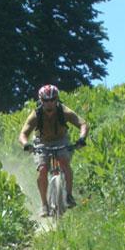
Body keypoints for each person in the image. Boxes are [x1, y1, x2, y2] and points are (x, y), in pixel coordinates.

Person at [18, 84, 88, 217]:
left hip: (61, 140)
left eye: (53, 100)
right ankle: (44, 205)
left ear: (57, 99)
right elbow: (23, 134)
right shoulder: (35, 115)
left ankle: (68, 195)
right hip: (41, 143)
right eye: (46, 100)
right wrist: (26, 144)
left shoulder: (64, 111)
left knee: (64, 162)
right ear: (41, 101)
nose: (49, 103)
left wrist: (81, 138)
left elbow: (82, 124)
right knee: (43, 169)